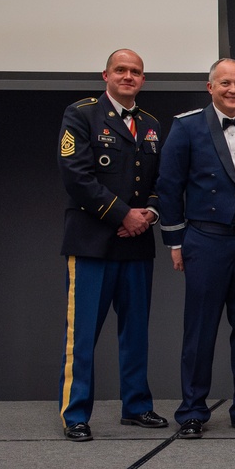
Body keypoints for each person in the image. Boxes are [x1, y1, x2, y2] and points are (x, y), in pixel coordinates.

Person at [157, 59, 235, 439]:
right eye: (224, 82)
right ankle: (192, 410)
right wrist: (175, 240)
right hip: (205, 239)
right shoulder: (187, 125)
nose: (232, 89)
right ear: (210, 87)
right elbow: (169, 186)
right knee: (200, 330)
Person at [57, 49, 168, 441]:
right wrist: (123, 214)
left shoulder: (151, 125)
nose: (128, 76)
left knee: (136, 332)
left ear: (143, 80)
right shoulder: (82, 114)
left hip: (136, 244)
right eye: (121, 70)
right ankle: (76, 414)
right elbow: (77, 176)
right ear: (105, 74)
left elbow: (159, 184)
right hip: (92, 242)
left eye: (135, 72)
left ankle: (136, 406)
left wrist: (149, 216)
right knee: (83, 334)